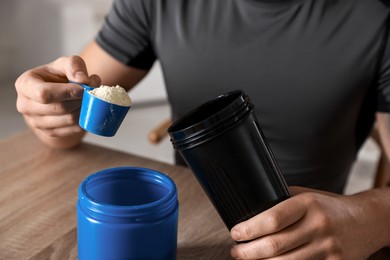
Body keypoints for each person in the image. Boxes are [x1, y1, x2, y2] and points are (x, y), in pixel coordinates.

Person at [14, 0, 390, 258]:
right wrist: (48, 107)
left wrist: (371, 217)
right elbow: (70, 117)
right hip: (192, 229)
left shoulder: (378, 16)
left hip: (307, 245)